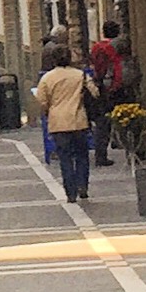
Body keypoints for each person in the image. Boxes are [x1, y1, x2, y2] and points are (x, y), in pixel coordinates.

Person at [34, 39, 97, 203]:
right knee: (82, 155)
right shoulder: (80, 75)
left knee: (65, 158)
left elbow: (42, 100)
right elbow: (94, 92)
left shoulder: (47, 78)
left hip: (58, 123)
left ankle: (70, 192)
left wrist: (48, 110)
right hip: (79, 120)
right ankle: (83, 185)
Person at [91, 23, 128, 166]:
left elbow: (96, 67)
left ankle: (101, 155)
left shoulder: (97, 47)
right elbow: (119, 66)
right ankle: (130, 150)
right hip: (118, 87)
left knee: (103, 123)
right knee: (125, 118)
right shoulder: (118, 46)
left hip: (102, 87)